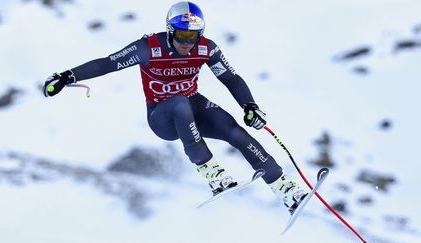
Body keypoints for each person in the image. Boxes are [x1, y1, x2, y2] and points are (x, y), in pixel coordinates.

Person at [43, 1, 306, 214]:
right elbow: (106, 64)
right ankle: (212, 173)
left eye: (192, 36)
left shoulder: (206, 49)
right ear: (171, 31)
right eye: (181, 35)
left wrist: (250, 106)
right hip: (163, 116)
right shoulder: (148, 48)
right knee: (180, 102)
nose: (186, 42)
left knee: (233, 129)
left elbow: (230, 78)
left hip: (193, 104)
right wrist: (67, 76)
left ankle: (284, 189)